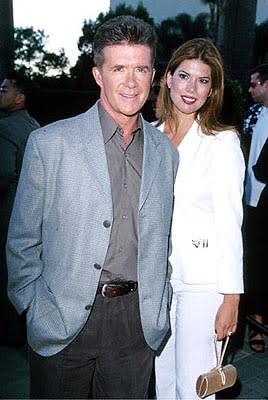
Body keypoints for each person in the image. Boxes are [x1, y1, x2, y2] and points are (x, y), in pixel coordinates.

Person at [6, 15, 179, 399]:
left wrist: (159, 304)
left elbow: (162, 238)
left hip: (136, 323)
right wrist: (31, 306)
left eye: (141, 68)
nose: (131, 81)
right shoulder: (50, 144)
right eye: (119, 68)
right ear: (99, 74)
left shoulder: (166, 153)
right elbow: (22, 238)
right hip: (61, 318)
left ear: (153, 75)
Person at [153, 38, 245, 399]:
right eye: (185, 76)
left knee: (193, 389)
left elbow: (230, 224)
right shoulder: (150, 136)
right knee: (161, 385)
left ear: (212, 90)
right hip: (157, 282)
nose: (191, 88)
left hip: (203, 284)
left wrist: (231, 298)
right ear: (168, 79)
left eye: (203, 80)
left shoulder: (221, 143)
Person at [0, 72, 40, 346]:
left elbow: (2, 173)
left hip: (8, 211)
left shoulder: (5, 128)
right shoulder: (34, 126)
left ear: (19, 98)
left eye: (4, 89)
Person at [244, 64, 268, 353]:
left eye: (254, 84)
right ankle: (256, 324)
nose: (250, 90)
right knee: (256, 265)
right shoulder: (256, 114)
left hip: (265, 200)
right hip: (252, 200)